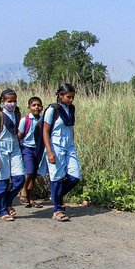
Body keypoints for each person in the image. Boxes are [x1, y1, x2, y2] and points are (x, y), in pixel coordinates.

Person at [40, 83, 80, 222]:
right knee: (56, 177)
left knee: (75, 176)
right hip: (55, 146)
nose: (71, 100)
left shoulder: (71, 109)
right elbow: (45, 131)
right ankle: (57, 210)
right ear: (60, 96)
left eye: (73, 97)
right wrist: (50, 152)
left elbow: (70, 128)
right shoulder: (52, 110)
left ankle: (56, 196)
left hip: (69, 146)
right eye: (68, 97)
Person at [0, 88, 25, 221]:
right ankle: (2, 210)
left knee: (20, 178)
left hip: (14, 148)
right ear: (3, 101)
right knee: (2, 181)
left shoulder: (17, 114)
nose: (12, 104)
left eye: (14, 101)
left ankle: (6, 201)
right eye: (9, 101)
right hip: (1, 149)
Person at [17, 96, 44, 208]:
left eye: (38, 105)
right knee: (29, 171)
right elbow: (19, 135)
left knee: (33, 174)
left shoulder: (42, 120)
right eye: (34, 105)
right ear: (29, 107)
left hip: (38, 149)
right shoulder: (25, 120)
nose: (36, 107)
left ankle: (30, 197)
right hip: (27, 148)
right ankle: (23, 190)